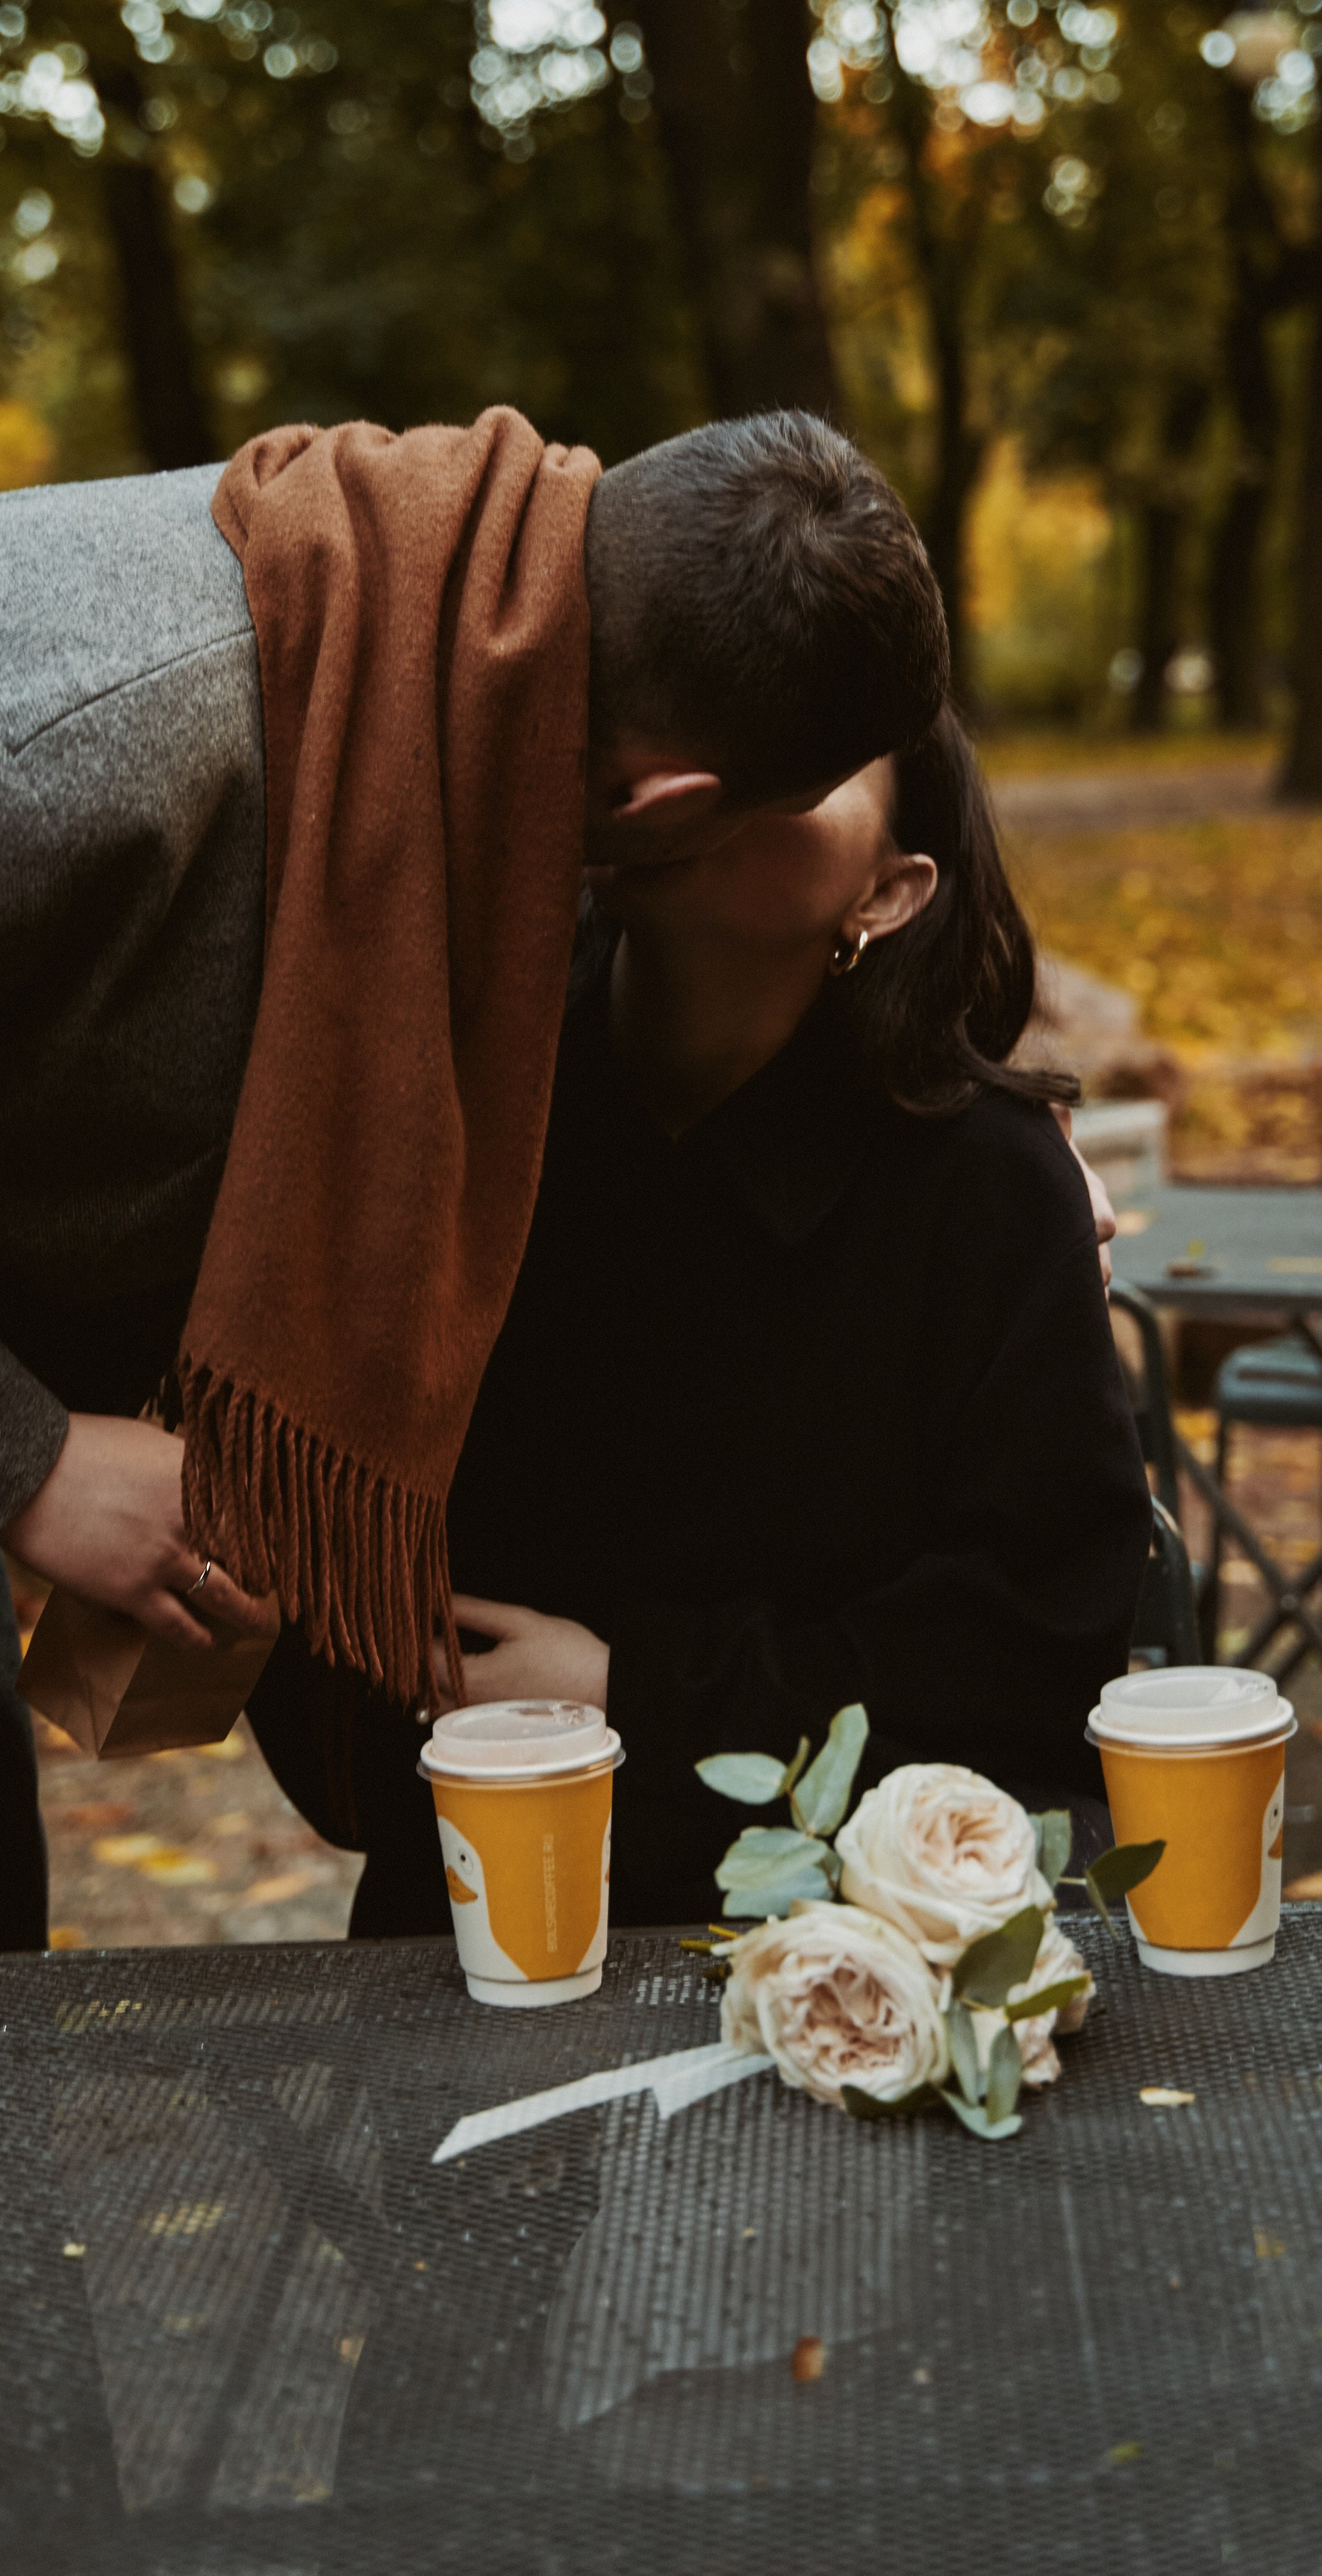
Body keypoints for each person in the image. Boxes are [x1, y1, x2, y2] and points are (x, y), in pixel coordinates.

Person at [0, 407, 951, 2279]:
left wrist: (961, 1170)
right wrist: (23, 1460)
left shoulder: (449, 635)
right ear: (665, 808)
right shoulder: (109, 736)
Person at [253, 705, 1150, 1935]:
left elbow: (1035, 1649)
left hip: (866, 1930)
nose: (693, 787)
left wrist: (638, 1695)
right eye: (680, 729)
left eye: (799, 759)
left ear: (889, 893)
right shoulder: (447, 1096)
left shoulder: (987, 1185)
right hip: (484, 1903)